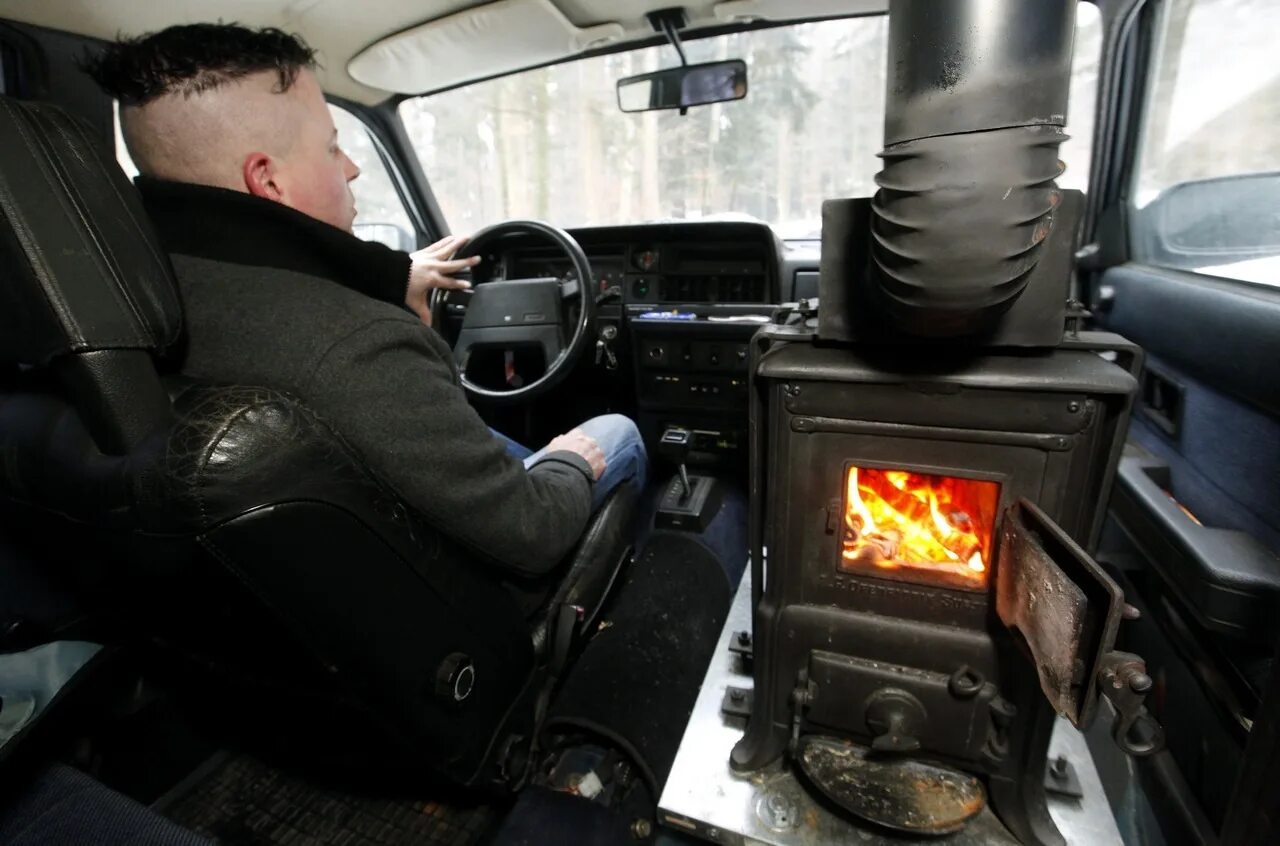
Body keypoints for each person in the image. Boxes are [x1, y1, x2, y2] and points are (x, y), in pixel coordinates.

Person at [82, 23, 646, 577]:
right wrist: (570, 460)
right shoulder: (366, 347)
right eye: (331, 148)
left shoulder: (128, 303)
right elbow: (532, 529)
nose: (351, 167)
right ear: (268, 181)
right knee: (612, 431)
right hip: (468, 614)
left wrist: (388, 278)